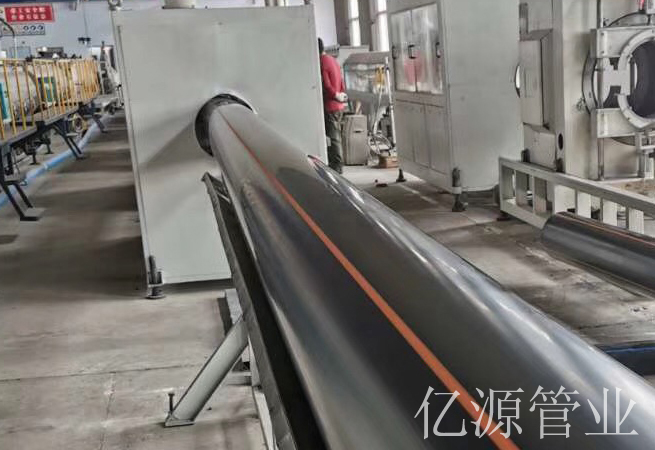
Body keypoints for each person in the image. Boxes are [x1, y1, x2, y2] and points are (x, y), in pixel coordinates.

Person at [318, 38, 348, 174]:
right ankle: (337, 162)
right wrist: (341, 94)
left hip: (330, 105)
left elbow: (326, 84)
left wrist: (335, 95)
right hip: (338, 105)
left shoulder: (322, 62)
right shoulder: (333, 60)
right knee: (337, 135)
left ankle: (337, 165)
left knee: (333, 136)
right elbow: (341, 80)